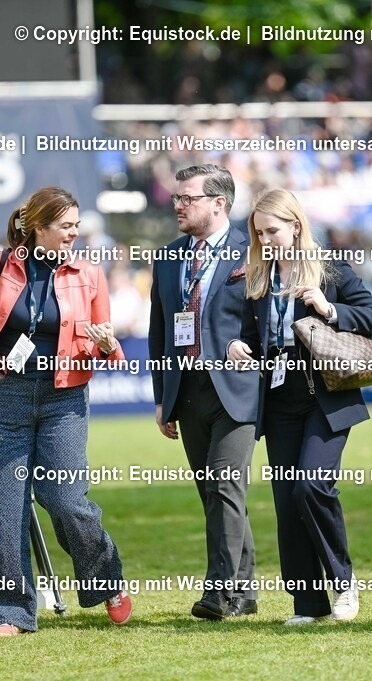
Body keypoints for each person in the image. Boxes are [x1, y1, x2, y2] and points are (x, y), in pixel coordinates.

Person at [0, 187, 131, 636]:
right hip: (9, 397)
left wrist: (106, 345)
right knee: (5, 508)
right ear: (38, 227)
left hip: (65, 399)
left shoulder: (90, 274)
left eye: (77, 225)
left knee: (65, 499)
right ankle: (8, 612)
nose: (75, 233)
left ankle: (107, 578)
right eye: (66, 226)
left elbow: (106, 348)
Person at [228, 189, 372, 626]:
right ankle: (307, 604)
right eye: (259, 233)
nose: (265, 240)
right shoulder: (258, 277)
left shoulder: (329, 268)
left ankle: (344, 582)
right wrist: (238, 346)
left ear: (296, 226)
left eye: (272, 231)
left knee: (310, 486)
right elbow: (249, 334)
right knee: (286, 501)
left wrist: (329, 308)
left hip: (326, 396)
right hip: (278, 399)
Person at [148, 164, 260, 620]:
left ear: (219, 203)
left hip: (237, 389)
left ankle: (220, 592)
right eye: (177, 198)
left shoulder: (252, 251)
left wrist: (249, 349)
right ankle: (245, 592)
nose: (178, 205)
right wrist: (162, 397)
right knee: (214, 493)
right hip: (187, 388)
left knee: (224, 484)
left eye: (187, 198)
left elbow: (267, 320)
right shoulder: (167, 257)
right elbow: (159, 331)